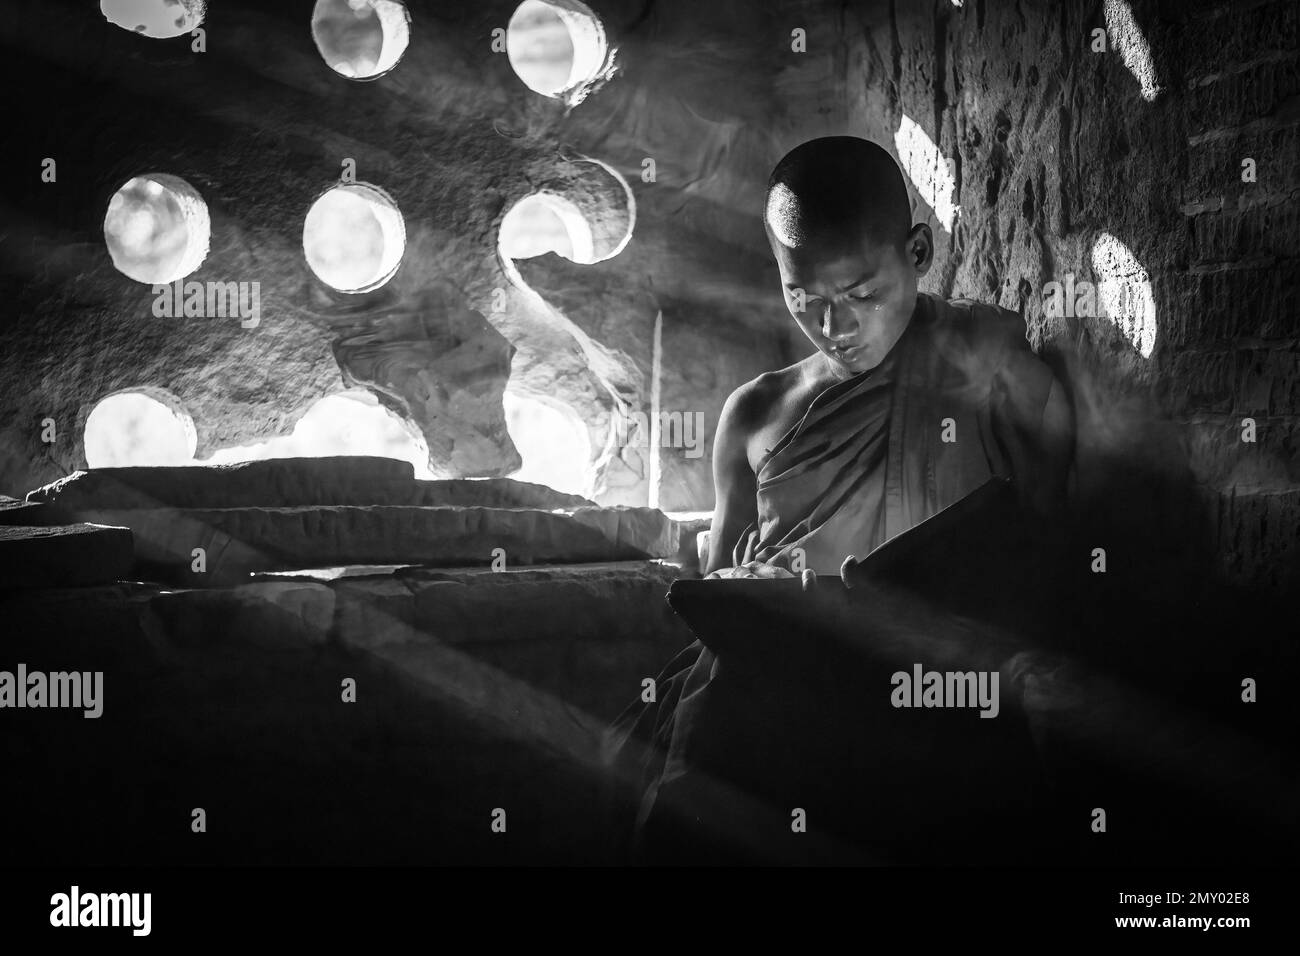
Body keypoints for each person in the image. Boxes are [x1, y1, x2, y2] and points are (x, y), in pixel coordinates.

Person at [603, 135, 1075, 864]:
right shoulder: (757, 414)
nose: (836, 328)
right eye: (806, 300)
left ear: (918, 252)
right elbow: (720, 601)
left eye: (862, 295)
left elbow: (1045, 578)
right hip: (777, 697)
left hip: (934, 699)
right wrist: (754, 588)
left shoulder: (999, 381)